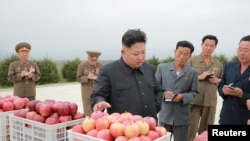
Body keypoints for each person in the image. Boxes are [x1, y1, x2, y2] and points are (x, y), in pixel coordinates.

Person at [90, 28, 164, 120]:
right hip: (123, 130)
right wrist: (99, 102)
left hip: (150, 129)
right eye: (136, 54)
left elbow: (159, 91)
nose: (141, 57)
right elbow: (98, 95)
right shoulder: (108, 71)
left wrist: (153, 108)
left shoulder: (148, 68)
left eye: (143, 52)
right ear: (123, 52)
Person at [155, 40, 198, 141]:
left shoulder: (193, 72)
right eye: (180, 53)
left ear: (190, 56)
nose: (182, 56)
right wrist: (164, 94)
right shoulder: (162, 68)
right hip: (165, 115)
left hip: (182, 117)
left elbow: (195, 93)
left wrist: (182, 97)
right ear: (175, 52)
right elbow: (155, 89)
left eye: (186, 54)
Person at [187, 35, 223, 141]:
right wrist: (199, 77)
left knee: (206, 132)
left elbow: (223, 81)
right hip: (194, 101)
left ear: (215, 47)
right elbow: (184, 78)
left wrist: (217, 80)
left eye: (211, 46)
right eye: (206, 45)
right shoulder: (192, 61)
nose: (208, 48)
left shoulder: (218, 64)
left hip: (210, 101)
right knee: (190, 130)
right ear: (201, 45)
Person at [217, 35, 250, 125]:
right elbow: (220, 85)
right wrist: (224, 91)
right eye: (240, 49)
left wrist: (242, 94)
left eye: (246, 50)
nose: (242, 53)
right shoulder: (229, 66)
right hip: (226, 117)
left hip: (245, 118)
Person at [77, 50, 103, 116]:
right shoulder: (82, 65)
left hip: (98, 92)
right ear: (88, 58)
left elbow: (104, 78)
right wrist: (87, 77)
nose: (93, 62)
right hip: (86, 93)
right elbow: (78, 78)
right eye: (91, 60)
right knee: (88, 114)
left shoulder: (100, 65)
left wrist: (97, 78)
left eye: (95, 61)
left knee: (98, 113)